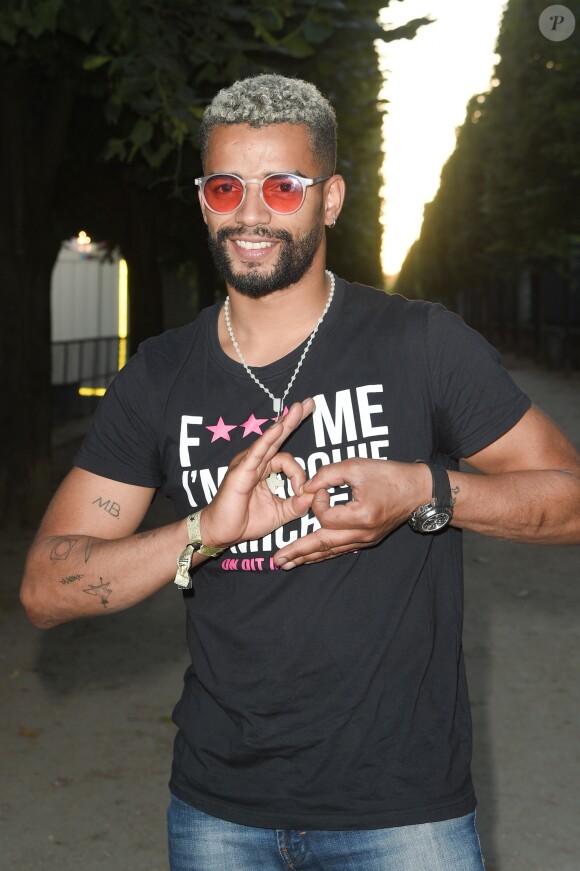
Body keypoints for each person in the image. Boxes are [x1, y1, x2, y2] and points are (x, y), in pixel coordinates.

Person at [21, 74, 580, 871]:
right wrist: (201, 530)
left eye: (283, 186)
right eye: (227, 186)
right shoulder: (158, 375)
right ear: (203, 199)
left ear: (332, 197)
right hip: (218, 815)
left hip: (403, 815)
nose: (251, 213)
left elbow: (570, 497)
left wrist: (426, 491)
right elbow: (45, 588)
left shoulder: (420, 343)